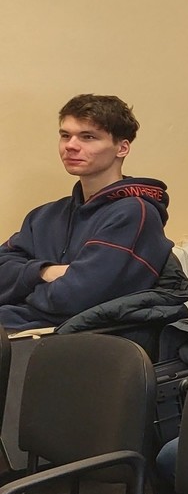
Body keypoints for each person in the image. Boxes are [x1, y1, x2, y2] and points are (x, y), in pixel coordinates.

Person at [0, 94, 174, 332]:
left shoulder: (134, 213)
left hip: (75, 340)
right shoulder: (43, 216)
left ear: (122, 148)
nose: (70, 145)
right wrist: (44, 272)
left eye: (88, 137)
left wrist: (19, 290)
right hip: (19, 327)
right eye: (65, 135)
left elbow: (73, 299)